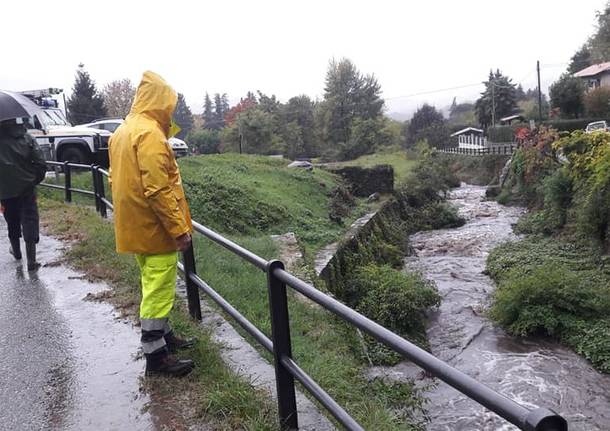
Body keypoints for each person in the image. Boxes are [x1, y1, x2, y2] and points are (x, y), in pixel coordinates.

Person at [109, 71, 196, 378]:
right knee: (159, 290)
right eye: (168, 104)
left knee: (151, 285)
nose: (170, 111)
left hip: (135, 225)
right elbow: (158, 189)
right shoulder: (150, 136)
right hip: (155, 228)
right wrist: (178, 229)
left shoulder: (123, 131)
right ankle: (156, 358)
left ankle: (165, 337)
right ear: (159, 102)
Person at [0, 117, 47, 271]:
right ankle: (31, 261)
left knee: (11, 219)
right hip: (27, 188)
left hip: (5, 191)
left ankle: (16, 251)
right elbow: (41, 163)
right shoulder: (26, 137)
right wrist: (33, 180)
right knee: (30, 219)